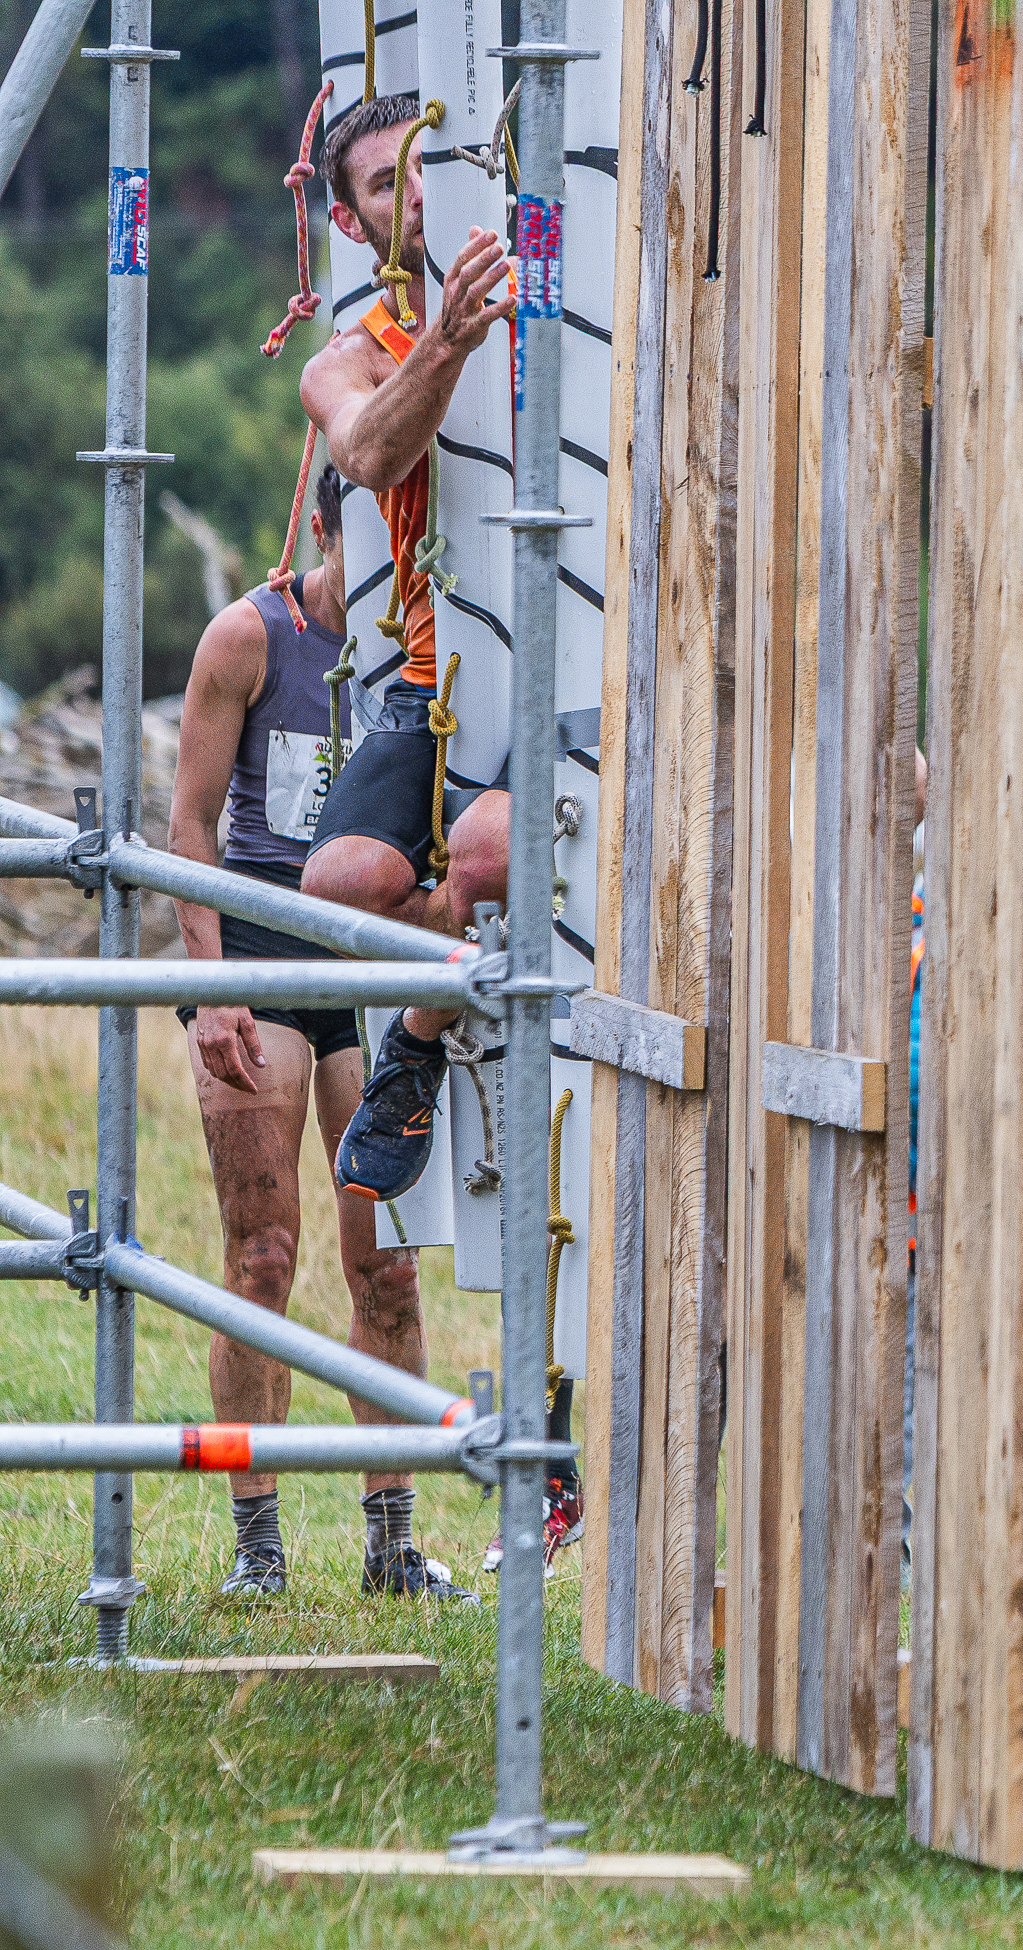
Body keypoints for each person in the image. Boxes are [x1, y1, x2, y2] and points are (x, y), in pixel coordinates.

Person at [168, 466, 467, 1601]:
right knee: (263, 1255)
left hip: (365, 977)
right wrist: (213, 990)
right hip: (254, 959)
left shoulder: (427, 655)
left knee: (387, 1266)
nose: (389, 567)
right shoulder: (250, 636)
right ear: (330, 525)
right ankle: (260, 1547)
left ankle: (392, 1543)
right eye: (373, 537)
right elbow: (189, 823)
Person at [296, 90, 515, 1209]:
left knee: (483, 855)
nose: (419, 195)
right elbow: (370, 455)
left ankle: (419, 1038)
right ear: (349, 226)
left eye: (429, 167)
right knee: (334, 892)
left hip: (564, 665)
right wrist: (446, 342)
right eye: (386, 184)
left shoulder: (553, 289)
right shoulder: (347, 356)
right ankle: (450, 987)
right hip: (439, 672)